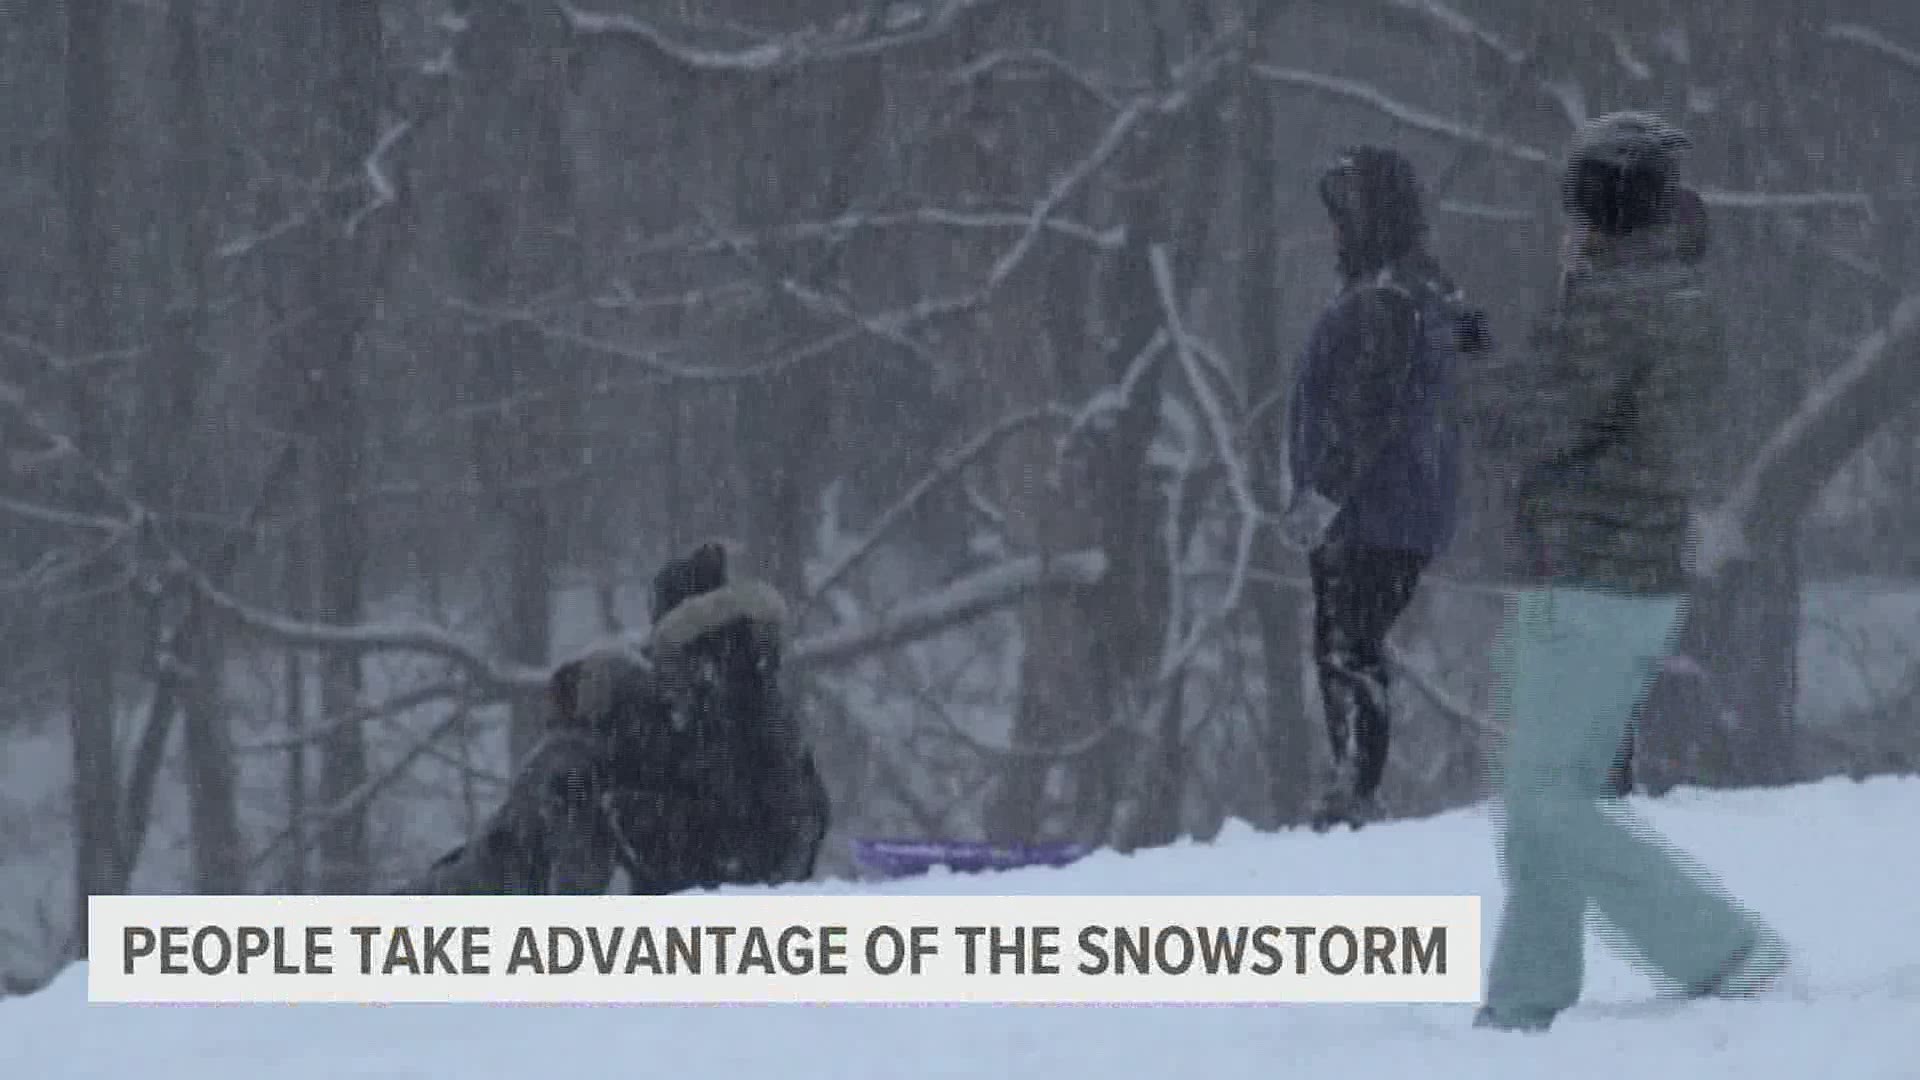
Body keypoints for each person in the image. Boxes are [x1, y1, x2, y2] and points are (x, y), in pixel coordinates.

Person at [1464, 112, 1786, 1033]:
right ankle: (1526, 1001)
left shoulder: (1618, 300)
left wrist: (1465, 366)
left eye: (1573, 209)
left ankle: (1717, 948)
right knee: (1542, 801)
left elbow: (1541, 420)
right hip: (1630, 575)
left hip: (1591, 576)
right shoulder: (1675, 293)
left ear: (1598, 210)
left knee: (1544, 800)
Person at [397, 541, 829, 895]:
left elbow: (723, 815)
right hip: (754, 866)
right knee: (570, 773)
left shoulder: (713, 683)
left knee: (568, 777)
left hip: (727, 870)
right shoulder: (753, 677)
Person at [1279, 145, 1490, 831]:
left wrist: (1324, 492)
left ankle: (1354, 789)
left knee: (1347, 642)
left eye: (1344, 217)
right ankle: (1351, 783)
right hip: (1398, 504)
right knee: (1345, 639)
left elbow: (1371, 403)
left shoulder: (1388, 299)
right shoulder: (1415, 288)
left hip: (1374, 506)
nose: (1334, 232)